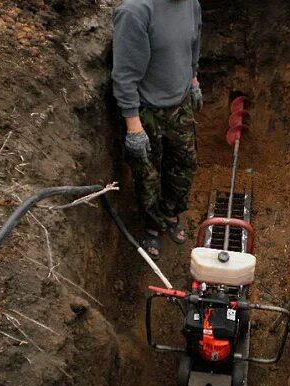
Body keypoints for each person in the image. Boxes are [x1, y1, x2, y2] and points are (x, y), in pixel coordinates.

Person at [112, 0, 203, 260]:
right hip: (146, 111)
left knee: (184, 166)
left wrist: (193, 79)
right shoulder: (135, 12)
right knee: (148, 176)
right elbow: (124, 75)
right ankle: (153, 225)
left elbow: (193, 44)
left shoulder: (190, 3)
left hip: (180, 104)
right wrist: (133, 127)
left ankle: (171, 214)